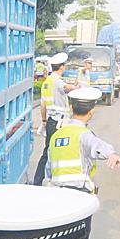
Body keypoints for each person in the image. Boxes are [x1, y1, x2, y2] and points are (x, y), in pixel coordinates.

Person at [46, 87, 120, 193]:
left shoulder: (56, 136)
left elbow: (48, 168)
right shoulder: (83, 134)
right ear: (91, 112)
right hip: (79, 192)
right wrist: (111, 154)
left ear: (71, 108)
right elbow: (96, 145)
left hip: (56, 191)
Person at [32, 53, 78, 184]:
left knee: (47, 151)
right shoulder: (57, 80)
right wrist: (76, 88)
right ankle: (57, 179)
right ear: (62, 67)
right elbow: (66, 88)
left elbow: (43, 105)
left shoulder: (46, 82)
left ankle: (38, 180)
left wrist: (44, 121)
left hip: (51, 121)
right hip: (60, 123)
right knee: (61, 151)